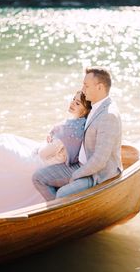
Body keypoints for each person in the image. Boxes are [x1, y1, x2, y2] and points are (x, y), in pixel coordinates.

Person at [0, 91, 91, 217]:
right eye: (73, 100)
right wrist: (51, 139)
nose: (72, 104)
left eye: (77, 103)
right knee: (5, 139)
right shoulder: (77, 126)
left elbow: (44, 153)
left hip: (41, 162)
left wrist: (51, 139)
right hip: (45, 156)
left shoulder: (70, 130)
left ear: (85, 110)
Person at [32, 66, 122, 201]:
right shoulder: (95, 106)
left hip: (97, 174)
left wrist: (76, 175)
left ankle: (61, 215)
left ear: (99, 87)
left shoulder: (109, 115)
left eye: (86, 85)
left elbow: (100, 160)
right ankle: (57, 213)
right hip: (79, 165)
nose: (83, 90)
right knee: (38, 177)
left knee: (62, 193)